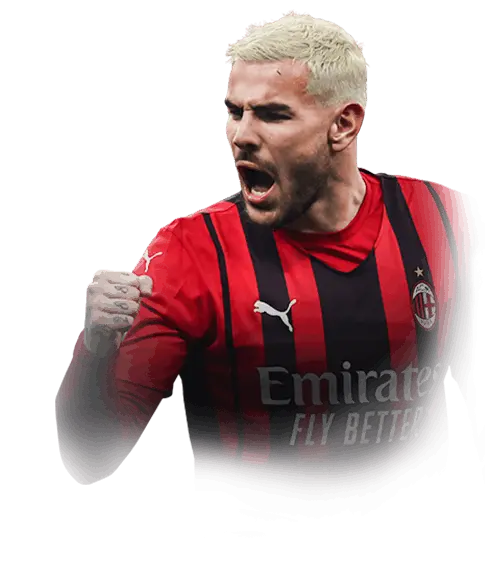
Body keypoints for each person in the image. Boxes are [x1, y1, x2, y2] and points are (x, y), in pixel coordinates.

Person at [56, 13, 482, 529]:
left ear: (344, 125)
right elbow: (92, 454)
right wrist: (96, 351)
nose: (240, 137)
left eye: (273, 115)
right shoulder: (189, 252)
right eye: (235, 112)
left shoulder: (446, 219)